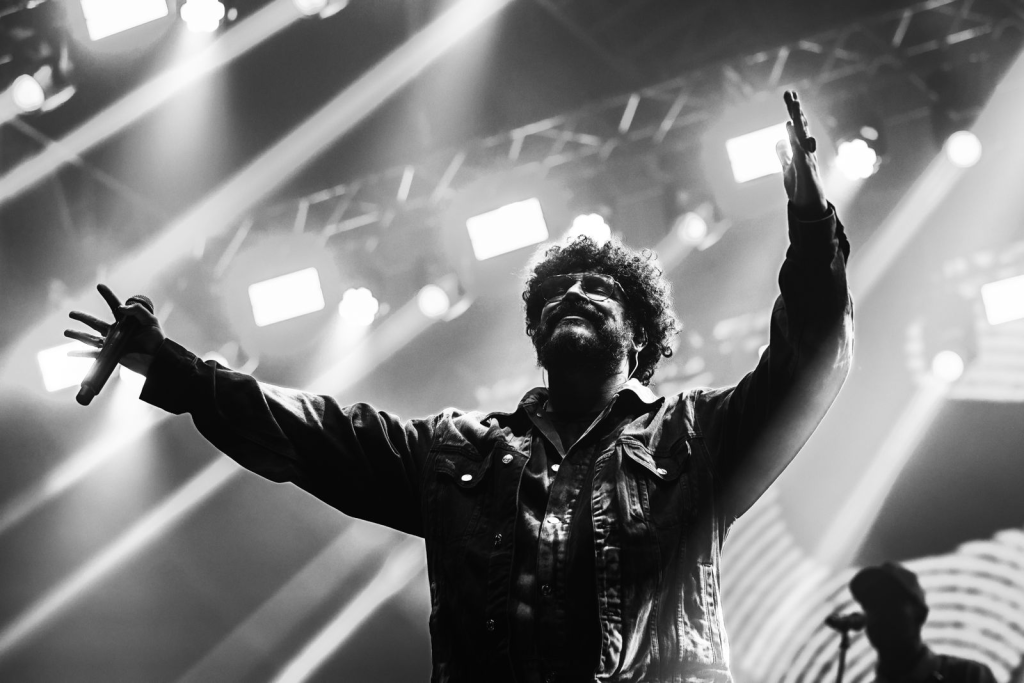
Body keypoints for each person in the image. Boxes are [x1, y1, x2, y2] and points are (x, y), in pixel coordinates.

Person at [65, 91, 853, 682]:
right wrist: (173, 367)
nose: (573, 294)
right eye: (555, 294)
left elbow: (812, 353)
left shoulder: (695, 437)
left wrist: (810, 218)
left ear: (642, 338)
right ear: (537, 339)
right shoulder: (455, 451)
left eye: (597, 288)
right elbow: (312, 431)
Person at [850, 563, 998, 683]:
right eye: (870, 605)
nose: (879, 613)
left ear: (920, 613)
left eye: (890, 602)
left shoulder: (968, 675)